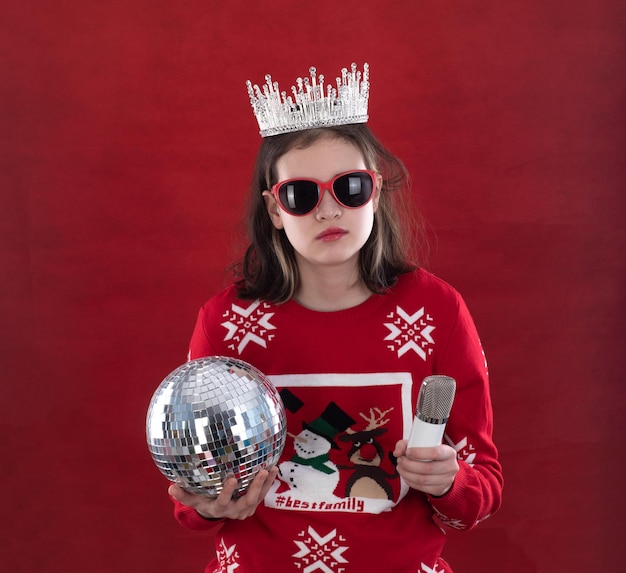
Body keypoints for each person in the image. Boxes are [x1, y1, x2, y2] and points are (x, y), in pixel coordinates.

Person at [168, 63, 503, 573]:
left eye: (349, 187)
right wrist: (208, 504)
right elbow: (191, 497)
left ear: (375, 192)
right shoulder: (226, 323)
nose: (328, 211)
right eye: (302, 195)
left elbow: (481, 486)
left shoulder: (435, 311)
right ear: (275, 210)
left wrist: (449, 483)